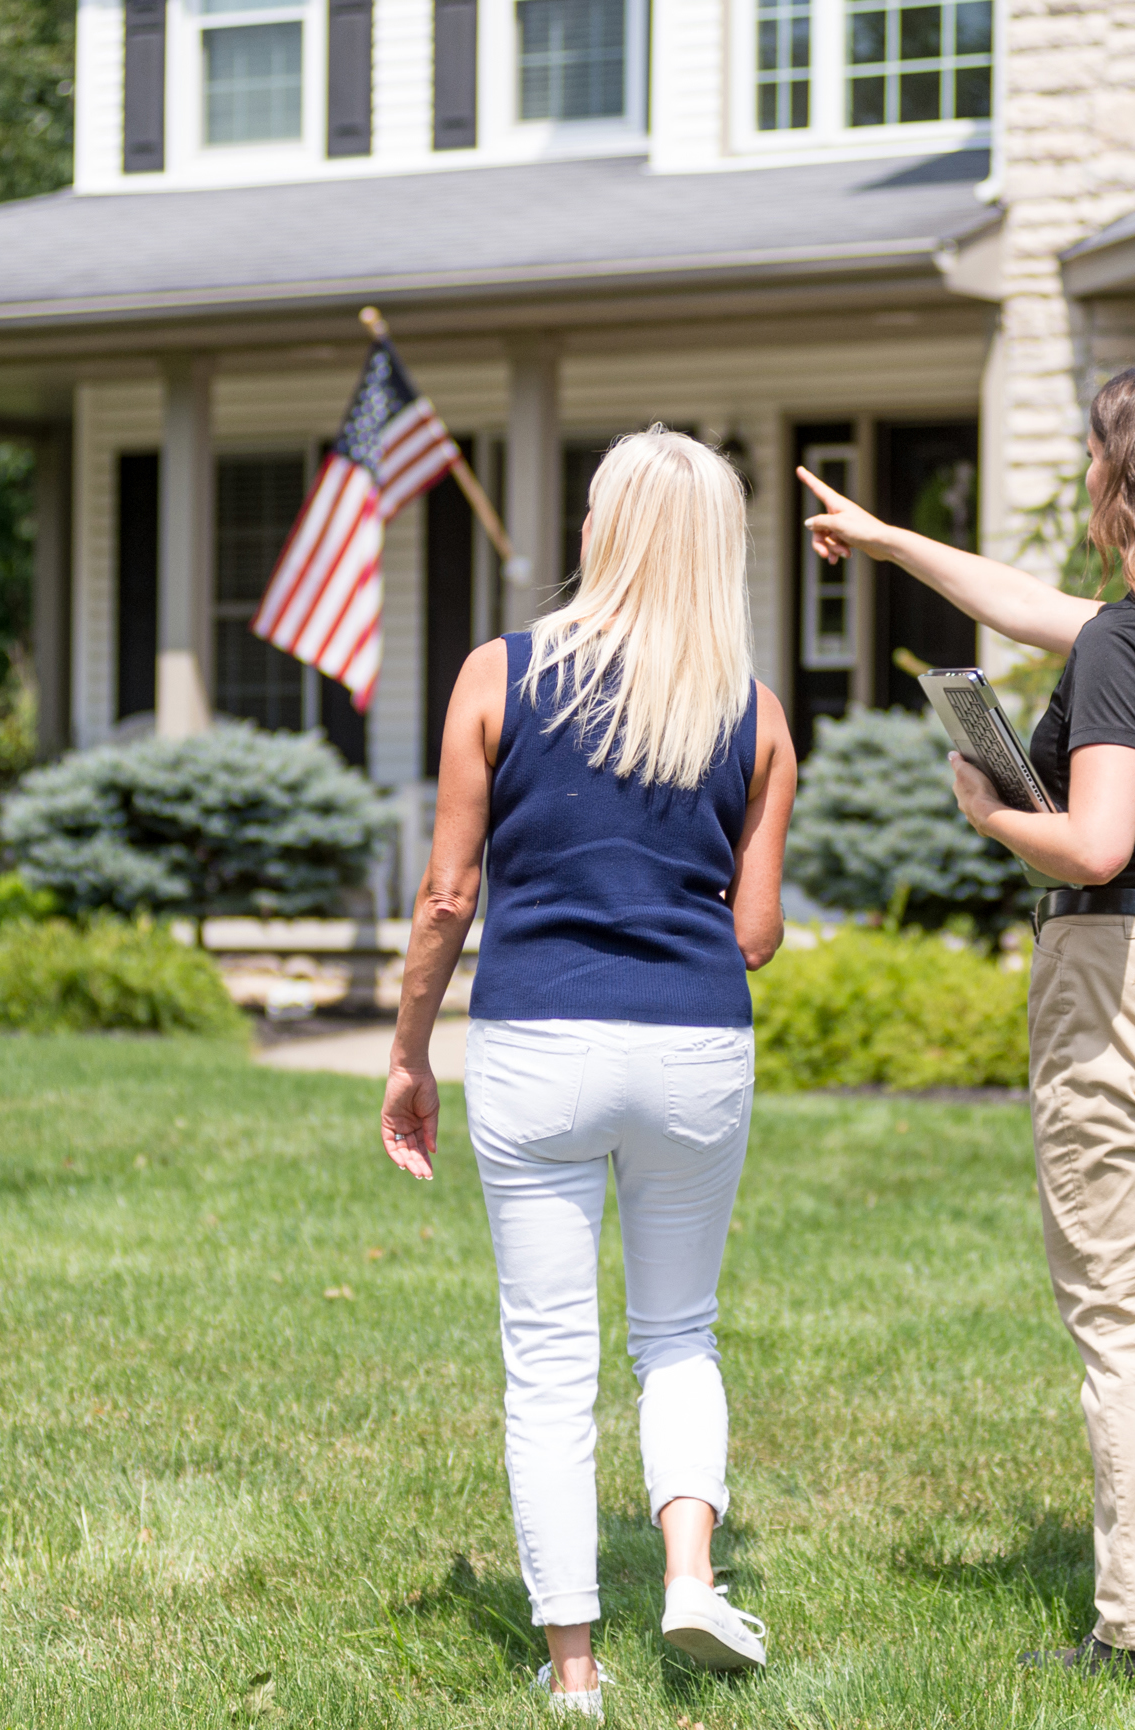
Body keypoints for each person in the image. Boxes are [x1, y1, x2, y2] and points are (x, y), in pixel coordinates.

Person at [799, 359, 1135, 1680]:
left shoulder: (1133, 643)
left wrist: (989, 808)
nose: (1080, 473)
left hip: (1134, 986)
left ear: (1129, 477)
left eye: (1091, 454)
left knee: (1120, 1319)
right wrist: (892, 538)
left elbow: (1091, 842)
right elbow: (1038, 612)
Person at [382, 427, 798, 1720]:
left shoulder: (496, 679)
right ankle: (688, 1570)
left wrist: (407, 1054)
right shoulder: (757, 713)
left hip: (539, 1047)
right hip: (696, 1048)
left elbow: (450, 894)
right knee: (678, 1331)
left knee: (549, 1360)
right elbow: (756, 933)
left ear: (594, 536)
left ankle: (574, 1668)